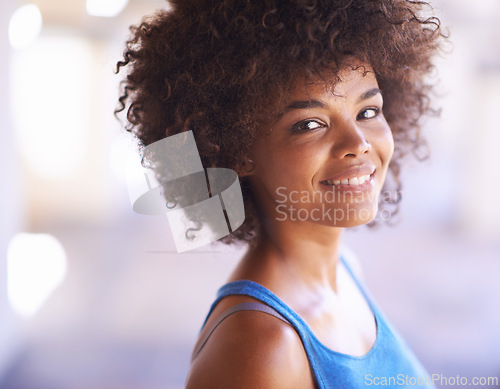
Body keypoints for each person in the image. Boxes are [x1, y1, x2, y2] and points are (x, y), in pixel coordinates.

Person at [116, 0, 445, 387]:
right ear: (235, 151)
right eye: (309, 123)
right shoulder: (260, 348)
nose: (357, 143)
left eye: (368, 111)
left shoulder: (344, 270)